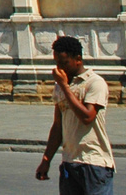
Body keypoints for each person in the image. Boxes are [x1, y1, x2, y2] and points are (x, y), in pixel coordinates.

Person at [38, 34, 114, 195]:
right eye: (57, 63)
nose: (59, 68)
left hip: (94, 163)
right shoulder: (61, 86)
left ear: (78, 59)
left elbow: (87, 117)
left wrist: (65, 87)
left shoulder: (94, 83)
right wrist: (46, 159)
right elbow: (58, 126)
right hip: (70, 162)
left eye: (64, 63)